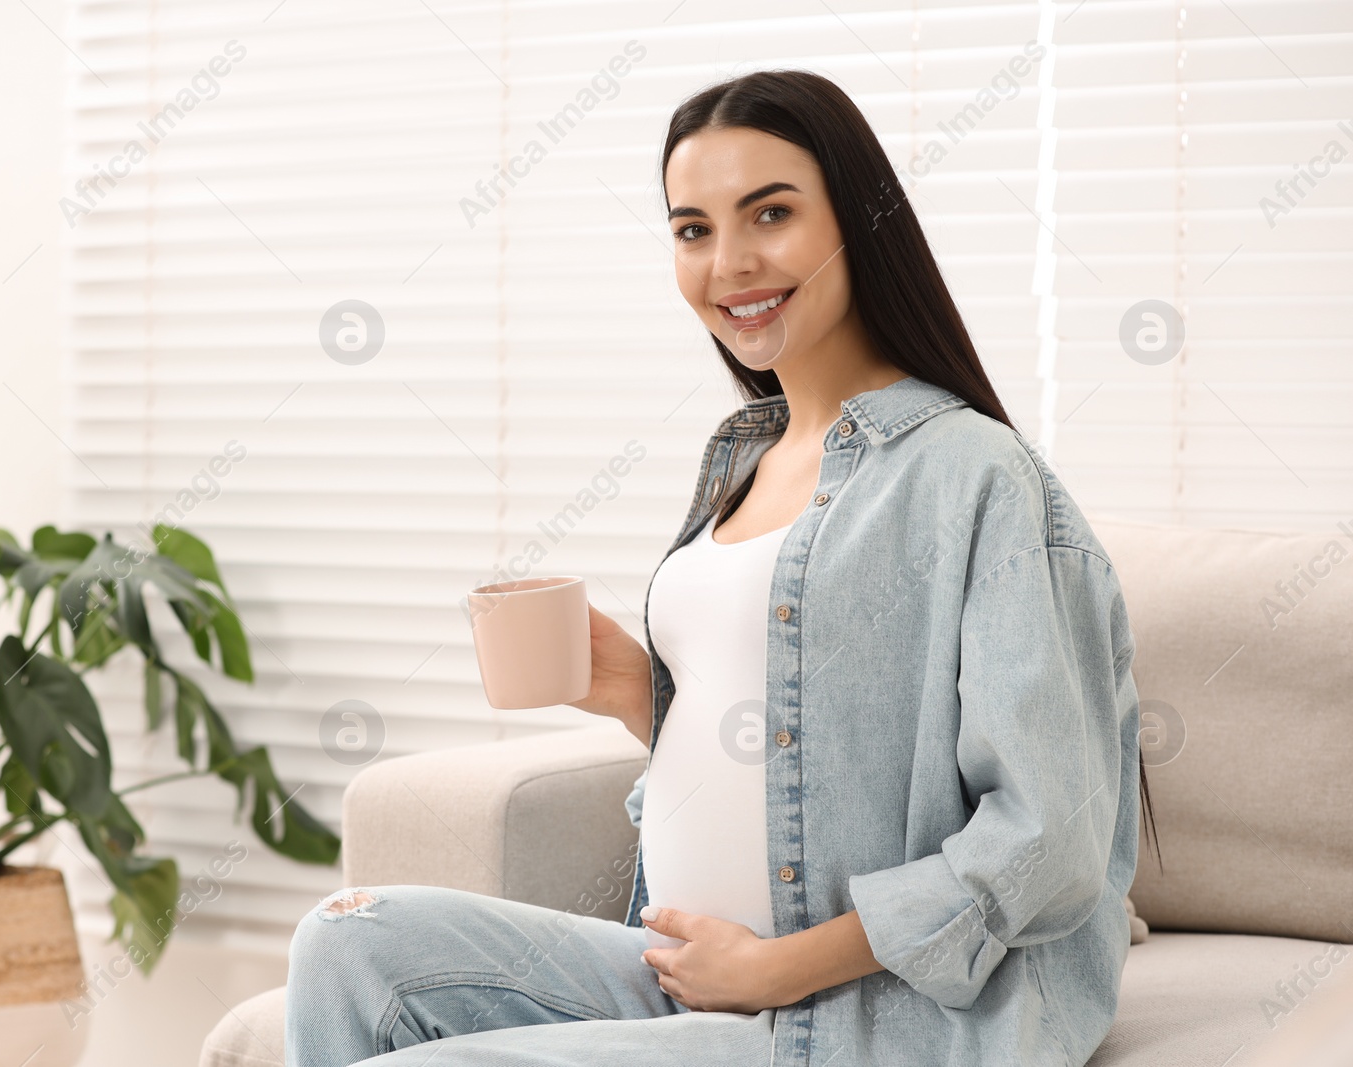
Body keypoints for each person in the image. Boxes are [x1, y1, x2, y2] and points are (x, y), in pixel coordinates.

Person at [282, 68, 1159, 1067]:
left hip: (870, 1013)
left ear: (858, 222)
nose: (729, 262)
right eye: (692, 229)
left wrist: (775, 968)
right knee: (349, 939)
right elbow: (785, 736)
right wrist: (625, 686)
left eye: (770, 213)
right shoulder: (742, 456)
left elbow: (1049, 838)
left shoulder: (977, 478)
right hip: (687, 973)